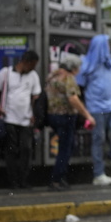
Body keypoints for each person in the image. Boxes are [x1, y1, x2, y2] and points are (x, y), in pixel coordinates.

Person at [77, 34, 111, 186]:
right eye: (106, 45)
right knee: (98, 140)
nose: (108, 47)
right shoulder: (86, 64)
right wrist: (84, 110)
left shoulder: (108, 64)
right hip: (95, 108)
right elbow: (79, 87)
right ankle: (98, 174)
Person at [0, 51, 41, 189]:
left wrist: (34, 113)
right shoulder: (5, 73)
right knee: (11, 150)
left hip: (26, 119)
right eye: (32, 65)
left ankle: (23, 180)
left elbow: (35, 96)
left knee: (26, 149)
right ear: (26, 62)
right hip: (9, 117)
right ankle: (13, 180)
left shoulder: (33, 76)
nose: (33, 68)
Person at [45, 53, 94, 191]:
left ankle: (59, 178)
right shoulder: (68, 78)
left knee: (64, 147)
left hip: (53, 116)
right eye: (77, 67)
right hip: (65, 117)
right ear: (72, 68)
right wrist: (87, 115)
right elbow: (73, 99)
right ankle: (56, 180)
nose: (78, 70)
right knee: (65, 149)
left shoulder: (52, 76)